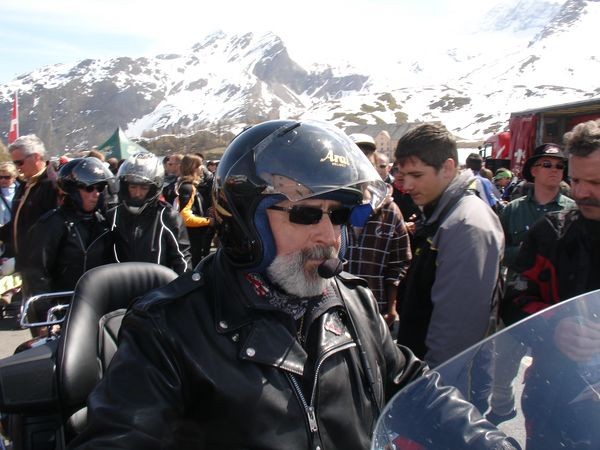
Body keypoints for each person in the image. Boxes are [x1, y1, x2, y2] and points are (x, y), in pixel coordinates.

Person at [71, 120, 517, 450]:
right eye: (305, 213)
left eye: (339, 215)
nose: (328, 236)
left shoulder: (353, 301)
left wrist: (489, 442)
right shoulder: (169, 327)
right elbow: (120, 436)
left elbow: (416, 388)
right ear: (245, 222)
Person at [501, 119, 600, 448]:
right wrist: (555, 326)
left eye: (596, 182)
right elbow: (512, 300)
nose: (582, 192)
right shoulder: (550, 232)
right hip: (552, 400)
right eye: (577, 180)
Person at [394, 123, 504, 368]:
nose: (407, 186)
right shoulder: (443, 214)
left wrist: (431, 383)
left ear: (447, 167)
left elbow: (456, 331)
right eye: (403, 175)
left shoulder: (467, 225)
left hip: (443, 378)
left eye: (416, 175)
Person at [486, 143, 576, 425]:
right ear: (533, 170)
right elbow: (498, 249)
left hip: (558, 305)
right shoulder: (513, 210)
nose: (554, 170)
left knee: (552, 374)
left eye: (559, 165)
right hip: (518, 303)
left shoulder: (573, 210)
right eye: (547, 164)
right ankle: (502, 408)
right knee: (502, 365)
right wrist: (527, 252)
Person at [24, 158, 115, 326]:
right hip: (62, 310)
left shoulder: (103, 222)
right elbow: (37, 273)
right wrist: (45, 317)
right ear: (72, 190)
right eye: (89, 188)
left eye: (100, 187)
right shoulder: (52, 223)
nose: (96, 193)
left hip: (96, 307)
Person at [345, 148, 411, 329]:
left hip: (375, 311)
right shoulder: (331, 207)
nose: (358, 171)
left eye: (364, 163)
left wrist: (391, 307)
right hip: (335, 309)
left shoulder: (390, 211)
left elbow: (399, 262)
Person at [108, 151, 191, 274]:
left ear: (154, 188)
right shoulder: (113, 216)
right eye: (133, 187)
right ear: (125, 186)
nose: (137, 193)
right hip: (120, 283)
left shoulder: (167, 216)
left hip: (158, 284)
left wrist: (184, 283)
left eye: (144, 188)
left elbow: (182, 258)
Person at [1, 135, 59, 296]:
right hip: (27, 268)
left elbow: (52, 232)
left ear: (36, 157)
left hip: (45, 271)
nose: (17, 168)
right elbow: (18, 224)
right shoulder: (25, 184)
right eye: (14, 163)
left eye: (19, 162)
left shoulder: (52, 185)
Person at [176, 154, 215, 266]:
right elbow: (185, 217)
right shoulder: (187, 187)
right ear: (192, 168)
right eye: (199, 166)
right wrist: (208, 221)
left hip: (194, 238)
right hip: (192, 239)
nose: (201, 168)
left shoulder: (186, 186)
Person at [0, 162, 19, 227]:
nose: (3, 180)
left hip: (16, 228)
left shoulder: (22, 191)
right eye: (0, 177)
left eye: (7, 177)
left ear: (14, 178)